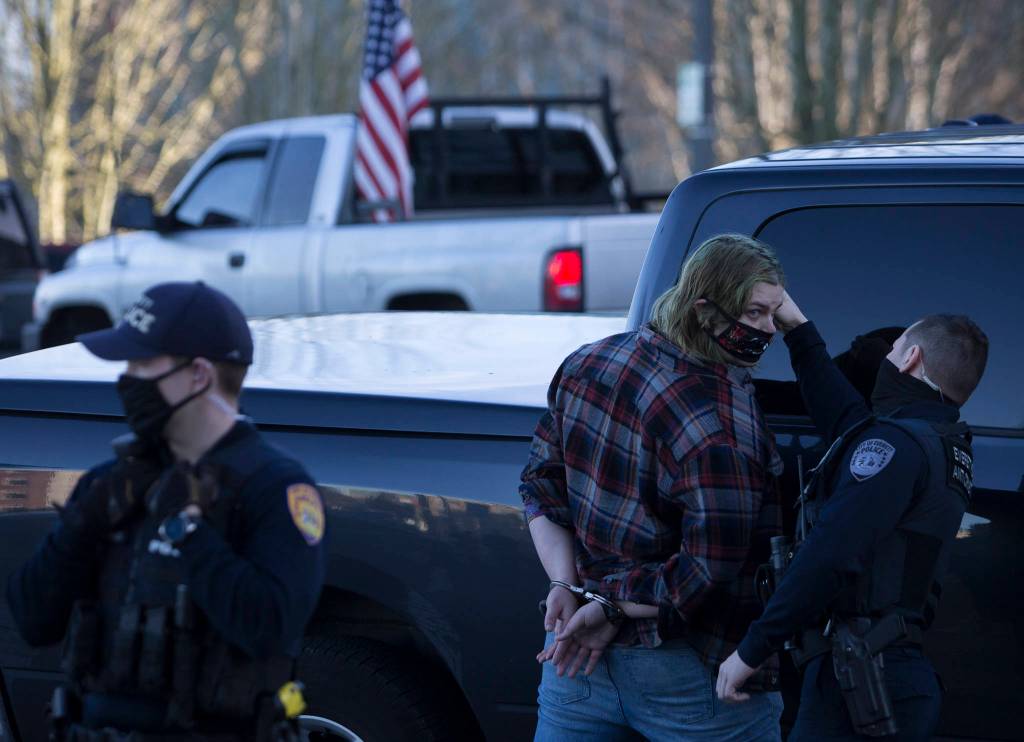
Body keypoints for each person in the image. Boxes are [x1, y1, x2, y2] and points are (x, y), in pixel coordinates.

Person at [7, 282, 327, 741]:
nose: (128, 380)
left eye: (142, 363)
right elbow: (32, 618)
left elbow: (268, 627)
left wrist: (188, 530)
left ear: (199, 375)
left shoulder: (274, 488)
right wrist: (82, 524)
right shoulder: (113, 481)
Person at [520, 234, 786, 741]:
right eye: (755, 314)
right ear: (704, 309)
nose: (769, 330)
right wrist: (607, 604)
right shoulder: (719, 420)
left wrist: (567, 586)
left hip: (573, 656)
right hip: (685, 673)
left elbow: (539, 483)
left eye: (774, 313)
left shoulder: (588, 362)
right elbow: (709, 567)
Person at [717, 293, 988, 741]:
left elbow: (830, 554)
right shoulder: (936, 442)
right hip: (884, 671)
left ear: (911, 359)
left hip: (861, 681)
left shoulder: (897, 448)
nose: (886, 359)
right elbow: (843, 415)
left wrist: (751, 649)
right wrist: (797, 326)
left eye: (895, 347)